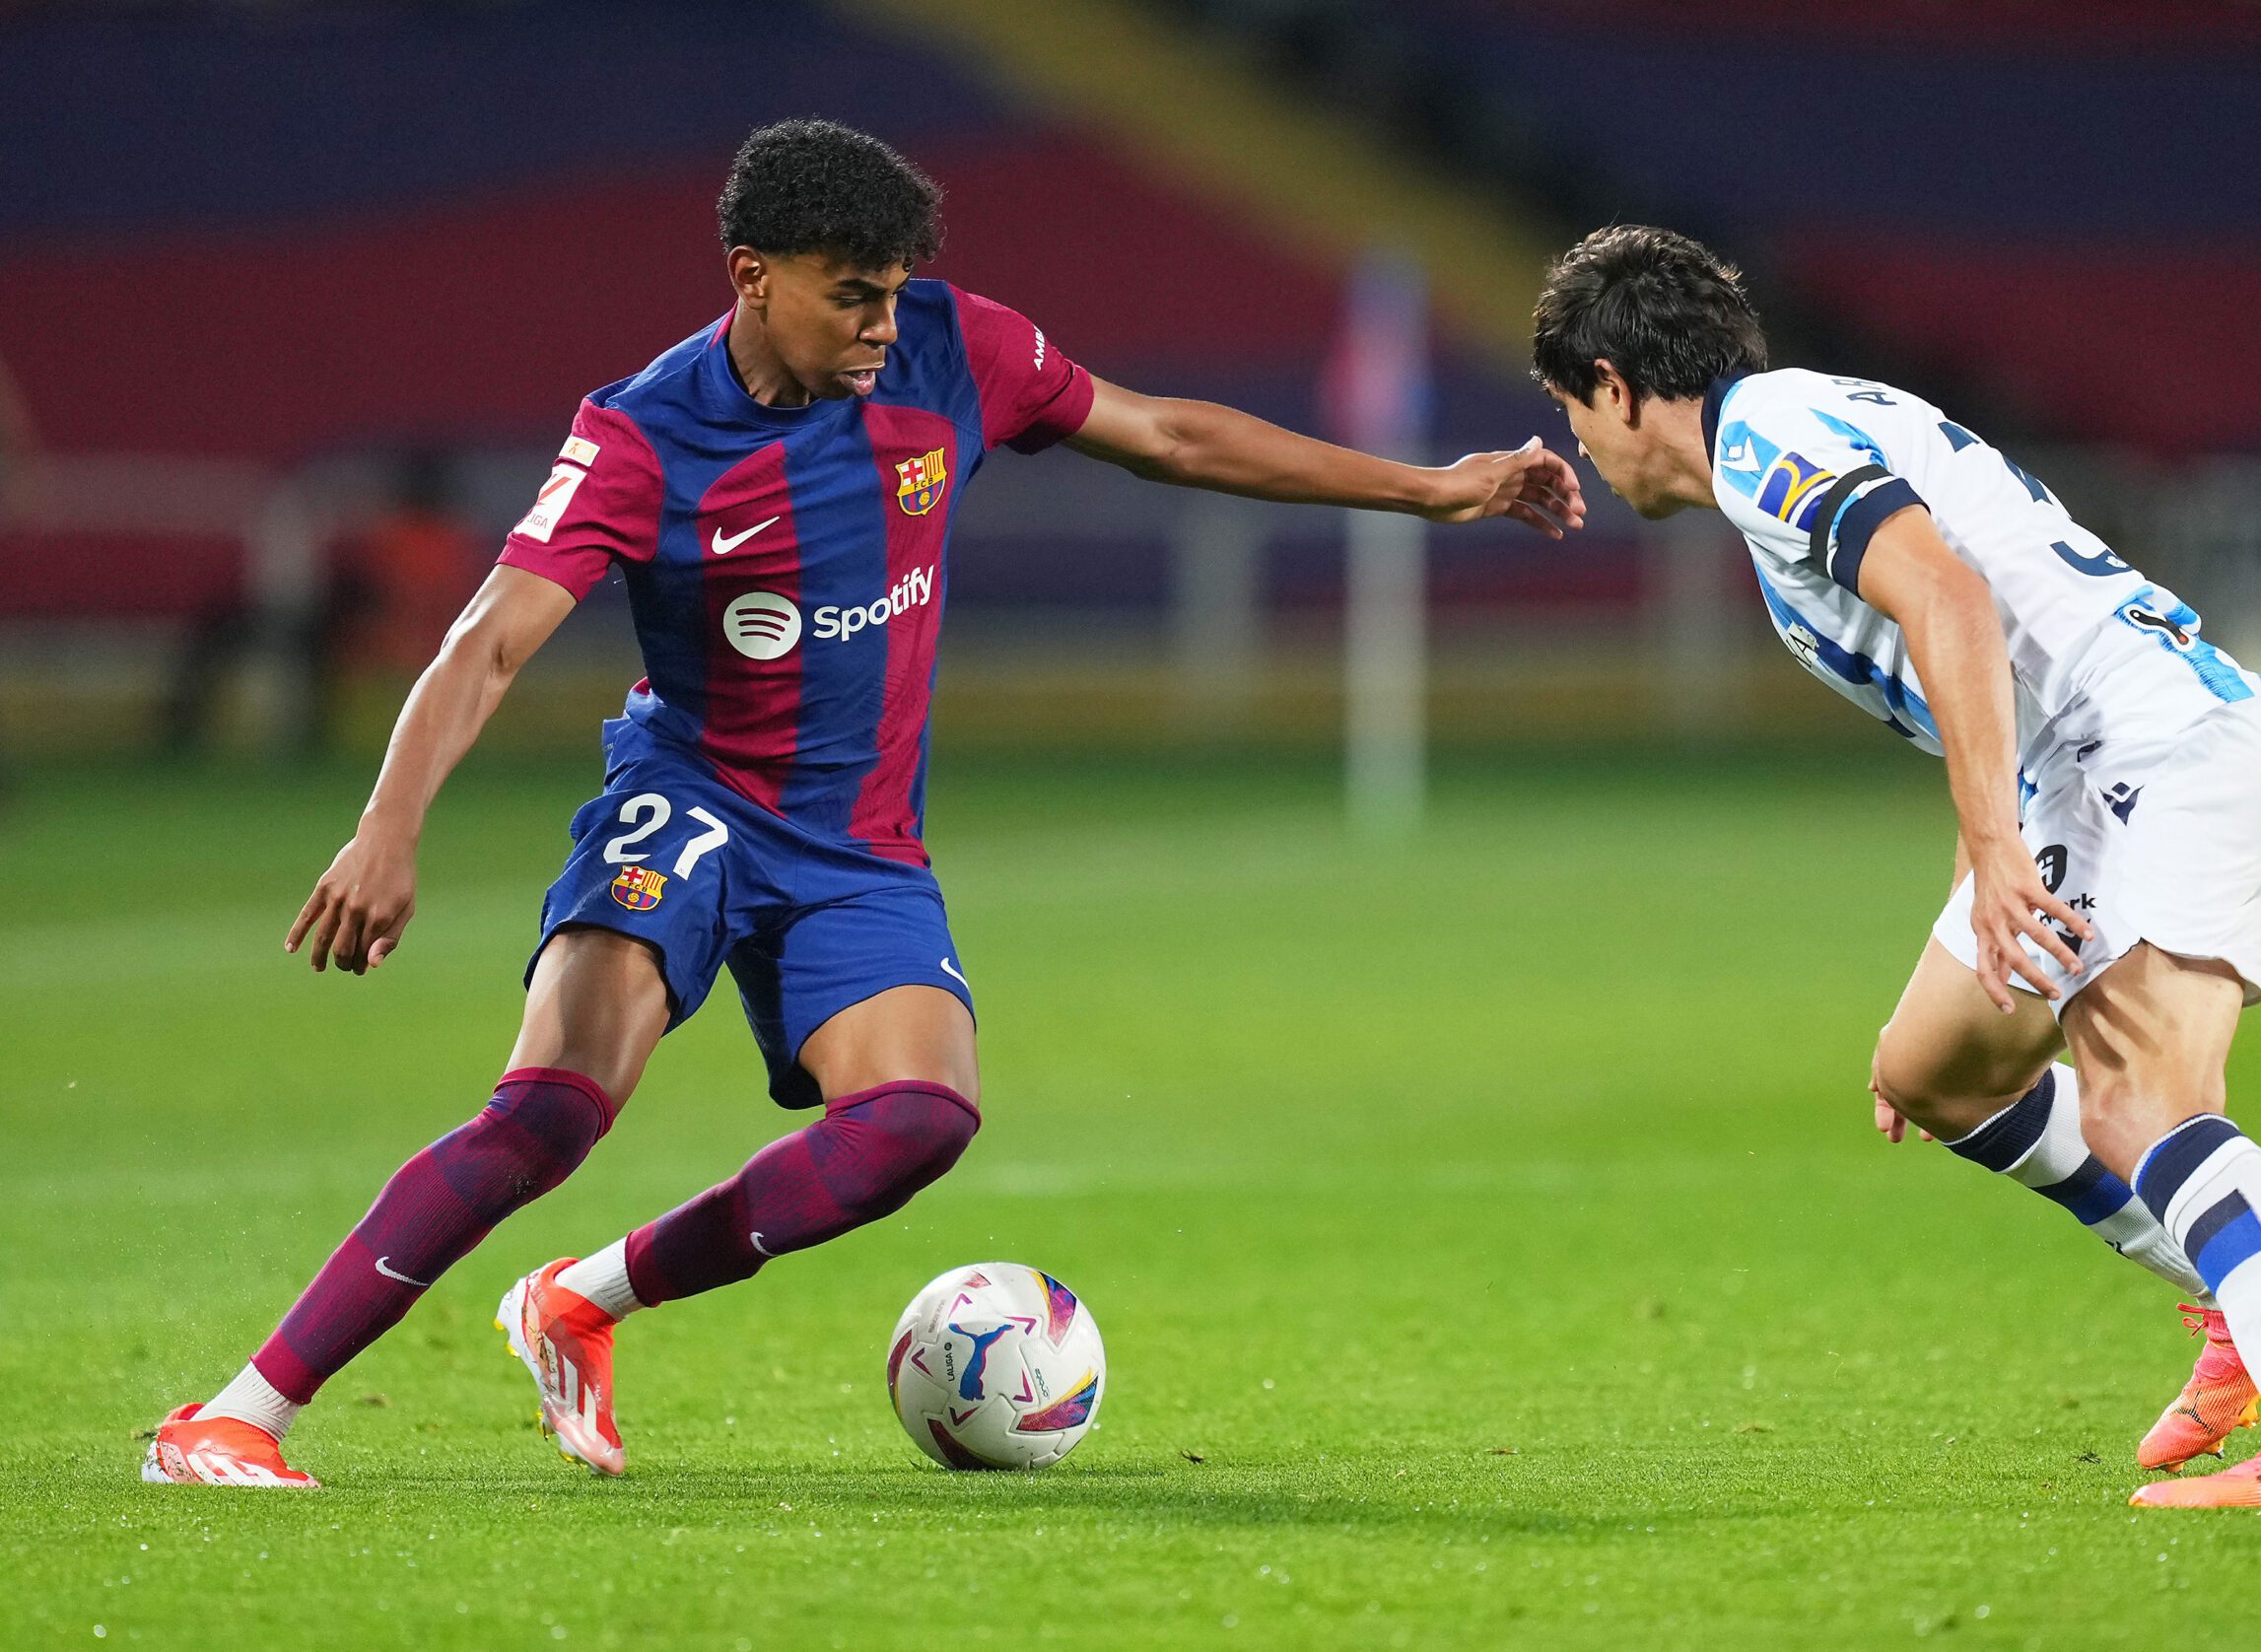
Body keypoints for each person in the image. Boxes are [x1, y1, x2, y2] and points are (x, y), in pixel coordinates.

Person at [143, 119, 1583, 1488]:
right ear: (751, 279)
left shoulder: (956, 348)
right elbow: (491, 636)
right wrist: (387, 826)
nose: (885, 326)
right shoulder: (642, 435)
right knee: (553, 1112)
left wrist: (1432, 489)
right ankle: (228, 1416)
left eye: (894, 294)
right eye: (851, 300)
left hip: (857, 844)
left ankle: (580, 1301)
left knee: (916, 1122)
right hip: (694, 799)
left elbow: (1173, 437)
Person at [1529, 226, 2261, 1509]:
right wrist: (1979, 874)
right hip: (2098, 759)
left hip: (2156, 745)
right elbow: (1971, 686)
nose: (1585, 452)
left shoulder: (1767, 442)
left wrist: (1999, 851)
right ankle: (2254, 1287)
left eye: (1571, 411)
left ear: (1614, 384)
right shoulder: (1783, 438)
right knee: (1934, 1066)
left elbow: (1954, 604)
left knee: (2143, 1105)